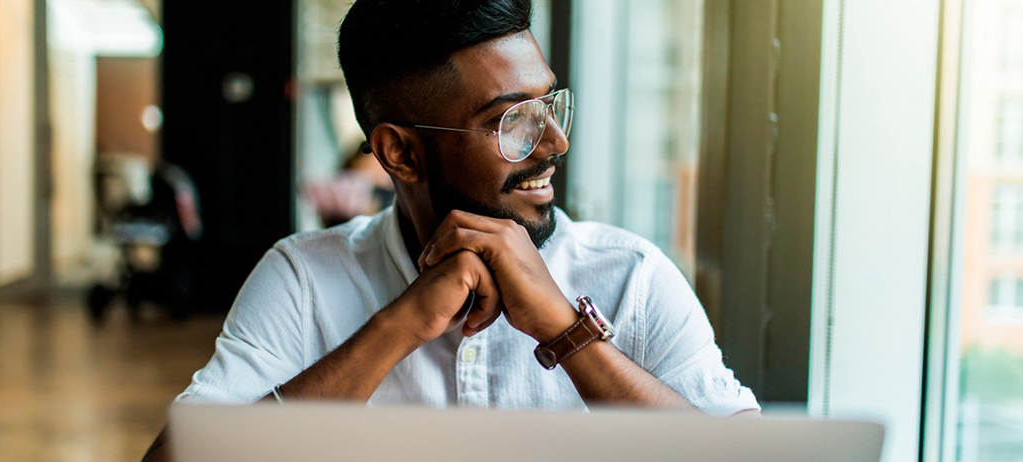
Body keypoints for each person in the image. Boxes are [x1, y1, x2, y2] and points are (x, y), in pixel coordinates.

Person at [143, 0, 758, 459]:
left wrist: (569, 333)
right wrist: (400, 324)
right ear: (402, 155)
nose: (555, 142)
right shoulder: (305, 278)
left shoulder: (632, 277)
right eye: (511, 120)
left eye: (548, 106)